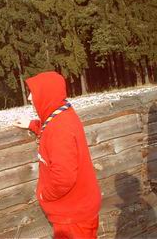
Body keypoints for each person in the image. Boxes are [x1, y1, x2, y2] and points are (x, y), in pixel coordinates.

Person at [13, 71, 101, 239]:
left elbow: (64, 178)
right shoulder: (63, 114)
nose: (30, 98)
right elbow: (51, 129)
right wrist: (33, 124)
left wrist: (44, 194)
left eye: (34, 93)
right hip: (79, 208)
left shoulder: (60, 129)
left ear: (47, 94)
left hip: (73, 214)